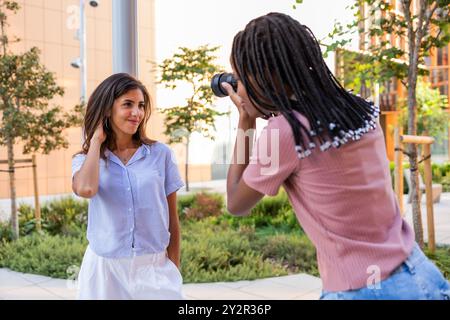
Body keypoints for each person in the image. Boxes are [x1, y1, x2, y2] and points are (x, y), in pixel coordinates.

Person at [223, 12, 450, 300]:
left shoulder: (284, 132)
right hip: (419, 275)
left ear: (264, 77)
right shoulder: (359, 110)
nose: (240, 85)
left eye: (242, 77)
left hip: (364, 290)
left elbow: (235, 202)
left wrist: (246, 121)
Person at [72, 73, 185, 300]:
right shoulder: (86, 159)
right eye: (128, 104)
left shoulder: (160, 154)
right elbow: (85, 189)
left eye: (141, 105)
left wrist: (174, 267)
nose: (137, 113)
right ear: (107, 109)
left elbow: (172, 219)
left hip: (154, 268)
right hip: (104, 271)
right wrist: (95, 141)